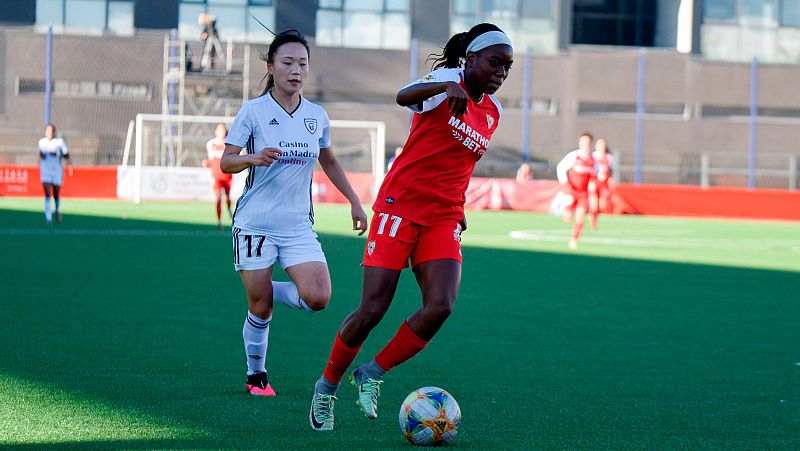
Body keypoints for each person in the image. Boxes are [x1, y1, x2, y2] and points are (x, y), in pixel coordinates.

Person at [309, 23, 513, 432]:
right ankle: (326, 387)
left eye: (507, 67)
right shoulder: (445, 80)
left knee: (440, 305)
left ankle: (372, 372)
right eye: (495, 63)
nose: (501, 73)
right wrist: (444, 89)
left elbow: (460, 161)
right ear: (471, 59)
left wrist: (458, 206)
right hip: (399, 206)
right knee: (373, 309)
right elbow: (402, 96)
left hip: (444, 215)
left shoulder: (493, 112)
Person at [219, 30, 368, 397]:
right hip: (254, 223)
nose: (296, 70)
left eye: (302, 63)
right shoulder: (253, 111)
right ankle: (256, 375)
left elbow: (328, 160)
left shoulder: (316, 116)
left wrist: (354, 200)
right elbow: (226, 161)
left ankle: (261, 287)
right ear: (271, 66)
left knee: (318, 298)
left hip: (297, 226)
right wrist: (252, 157)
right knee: (261, 309)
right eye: (287, 63)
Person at [556, 132, 596, 249]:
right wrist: (566, 185)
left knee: (580, 217)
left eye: (587, 143)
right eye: (583, 142)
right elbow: (560, 168)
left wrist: (593, 184)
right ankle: (565, 208)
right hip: (571, 191)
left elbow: (596, 175)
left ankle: (574, 239)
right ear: (579, 143)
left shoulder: (593, 160)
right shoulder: (574, 156)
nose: (585, 145)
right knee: (567, 218)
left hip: (583, 194)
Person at [38, 123, 71, 225]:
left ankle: (56, 210)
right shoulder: (42, 142)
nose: (49, 132)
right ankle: (48, 216)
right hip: (46, 170)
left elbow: (66, 155)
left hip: (56, 170)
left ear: (54, 132)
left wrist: (62, 155)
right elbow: (41, 154)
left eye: (51, 130)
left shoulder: (59, 142)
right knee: (47, 192)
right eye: (47, 130)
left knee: (56, 193)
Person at [202, 123, 233, 229]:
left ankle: (229, 209)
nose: (221, 132)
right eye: (219, 130)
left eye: (223, 130)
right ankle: (219, 221)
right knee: (218, 197)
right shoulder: (210, 144)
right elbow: (211, 159)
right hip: (216, 175)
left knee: (227, 197)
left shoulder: (229, 143)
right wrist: (207, 162)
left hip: (227, 174)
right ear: (215, 131)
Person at [591, 138, 615, 226]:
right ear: (596, 146)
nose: (601, 147)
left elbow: (611, 171)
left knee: (602, 205)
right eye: (599, 145)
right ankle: (593, 221)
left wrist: (610, 180)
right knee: (594, 203)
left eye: (603, 145)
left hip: (603, 183)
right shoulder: (593, 156)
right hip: (594, 181)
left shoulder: (609, 157)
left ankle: (596, 216)